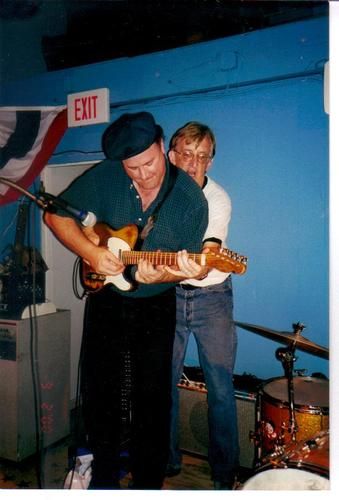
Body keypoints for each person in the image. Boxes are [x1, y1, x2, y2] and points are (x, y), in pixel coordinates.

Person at [43, 112, 209, 490]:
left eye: (149, 163)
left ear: (162, 149)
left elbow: (191, 266)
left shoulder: (190, 200)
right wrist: (90, 251)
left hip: (155, 305)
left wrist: (166, 273)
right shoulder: (107, 176)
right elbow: (55, 215)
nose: (142, 174)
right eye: (132, 168)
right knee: (101, 390)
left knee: (152, 398)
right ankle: (102, 477)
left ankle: (148, 484)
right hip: (107, 300)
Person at [167, 121, 239, 490]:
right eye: (187, 154)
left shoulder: (219, 199)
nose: (194, 163)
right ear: (172, 155)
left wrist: (199, 260)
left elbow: (210, 250)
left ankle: (225, 478)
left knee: (221, 389)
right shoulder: (157, 196)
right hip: (168, 296)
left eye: (202, 156)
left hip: (212, 299)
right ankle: (167, 463)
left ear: (210, 162)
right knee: (161, 382)